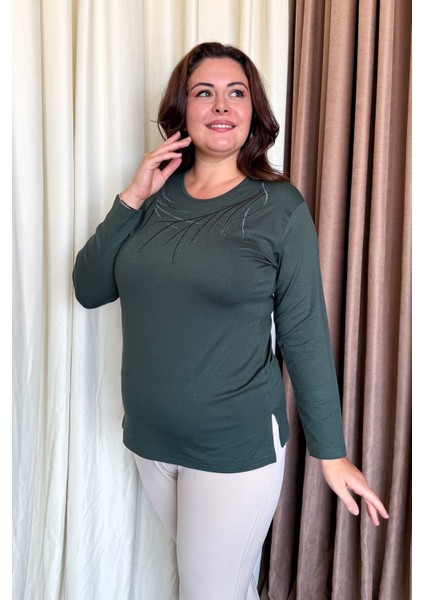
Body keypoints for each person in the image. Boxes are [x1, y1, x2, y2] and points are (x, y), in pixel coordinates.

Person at [73, 42, 389, 599]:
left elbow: (304, 334)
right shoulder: (153, 195)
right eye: (205, 92)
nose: (221, 105)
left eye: (235, 93)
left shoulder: (279, 208)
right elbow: (89, 288)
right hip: (150, 440)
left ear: (252, 111)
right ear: (182, 110)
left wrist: (331, 451)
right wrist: (132, 195)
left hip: (233, 447)